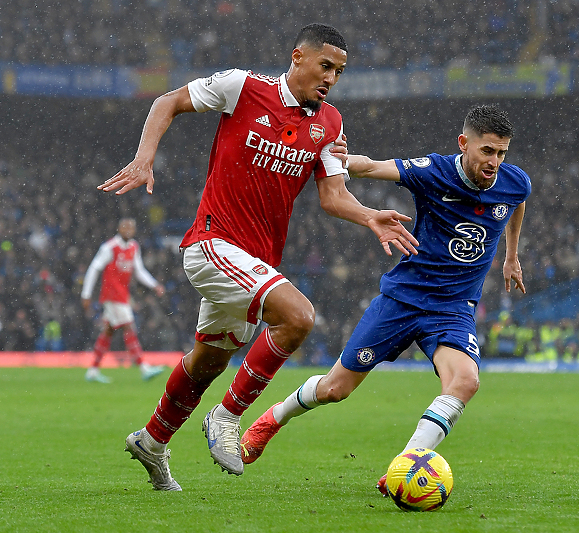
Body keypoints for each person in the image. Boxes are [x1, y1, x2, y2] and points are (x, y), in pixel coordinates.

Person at [100, 24, 418, 491]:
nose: (331, 78)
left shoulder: (330, 123)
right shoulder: (243, 87)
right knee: (299, 318)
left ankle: (151, 440)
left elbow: (332, 195)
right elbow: (166, 101)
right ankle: (227, 418)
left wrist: (369, 215)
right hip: (211, 243)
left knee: (207, 361)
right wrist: (145, 157)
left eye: (340, 72)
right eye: (325, 66)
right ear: (298, 57)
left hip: (255, 261)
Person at [238, 104, 530, 495]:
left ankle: (404, 466)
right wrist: (336, 156)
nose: (495, 162)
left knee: (465, 381)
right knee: (334, 390)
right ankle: (272, 419)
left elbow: (516, 204)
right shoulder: (434, 171)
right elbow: (372, 167)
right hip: (402, 300)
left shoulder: (514, 182)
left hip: (453, 309)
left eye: (501, 153)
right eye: (487, 151)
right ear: (464, 144)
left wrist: (511, 257)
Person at [81, 218, 166, 383]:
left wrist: (154, 285)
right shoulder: (110, 247)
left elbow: (139, 271)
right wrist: (86, 294)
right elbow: (94, 268)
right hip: (112, 295)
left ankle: (92, 370)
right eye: (125, 227)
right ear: (119, 228)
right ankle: (143, 367)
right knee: (128, 326)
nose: (128, 230)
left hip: (122, 294)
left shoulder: (134, 247)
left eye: (131, 228)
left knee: (108, 331)